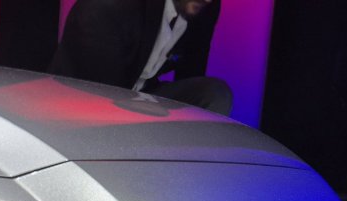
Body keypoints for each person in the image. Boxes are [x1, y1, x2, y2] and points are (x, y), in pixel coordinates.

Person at [50, 0, 233, 116]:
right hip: (83, 101)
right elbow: (99, 91)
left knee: (214, 93)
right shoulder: (110, 6)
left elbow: (192, 71)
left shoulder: (204, 7)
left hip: (142, 94)